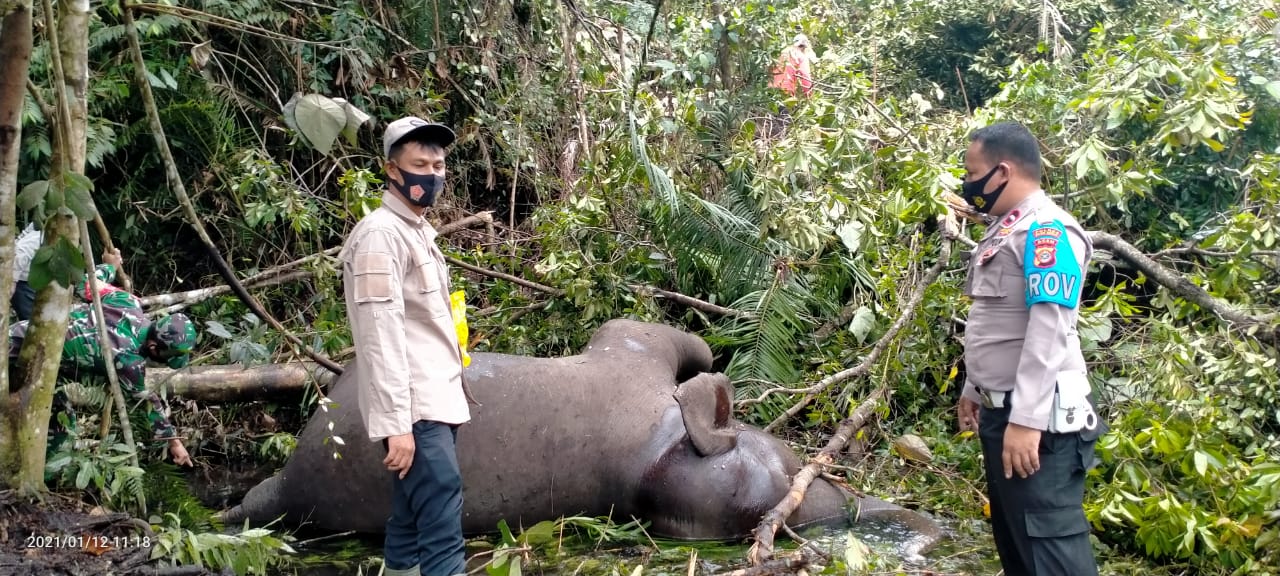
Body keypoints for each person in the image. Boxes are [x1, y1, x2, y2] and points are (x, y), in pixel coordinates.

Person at [952, 121, 1106, 576]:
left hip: (1040, 426)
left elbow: (1049, 329)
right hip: (1004, 414)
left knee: (1051, 553)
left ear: (1002, 172)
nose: (967, 183)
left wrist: (1025, 422)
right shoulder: (1007, 228)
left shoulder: (1047, 231)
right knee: (1019, 548)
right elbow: (997, 325)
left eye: (972, 172)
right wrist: (974, 388)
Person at [339, 116, 474, 576]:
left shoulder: (415, 230)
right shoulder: (380, 236)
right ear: (392, 170)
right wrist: (397, 424)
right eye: (420, 163)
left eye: (438, 165)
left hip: (436, 398)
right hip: (416, 408)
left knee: (413, 518)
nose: (432, 174)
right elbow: (381, 336)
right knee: (441, 523)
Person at [7, 248, 198, 467]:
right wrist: (174, 443)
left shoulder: (127, 302)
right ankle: (34, 478)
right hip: (24, 357)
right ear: (153, 347)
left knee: (59, 418)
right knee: (61, 431)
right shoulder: (128, 360)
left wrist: (110, 265)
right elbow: (147, 403)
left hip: (25, 339)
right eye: (167, 356)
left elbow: (87, 284)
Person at [9, 223, 43, 322]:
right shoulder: (39, 236)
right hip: (22, 281)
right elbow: (19, 253)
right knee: (31, 319)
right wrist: (12, 281)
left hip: (35, 279)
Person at [768, 33, 816, 98]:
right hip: (785, 90)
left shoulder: (783, 52)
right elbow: (805, 76)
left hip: (771, 89)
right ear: (804, 47)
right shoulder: (801, 56)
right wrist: (809, 95)